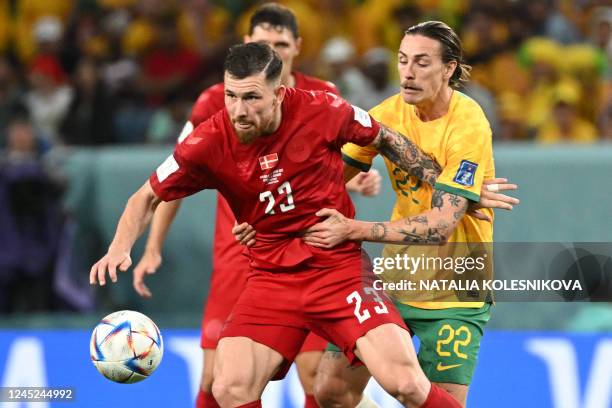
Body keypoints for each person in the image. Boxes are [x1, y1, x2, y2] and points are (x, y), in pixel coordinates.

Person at [90, 42, 469, 408]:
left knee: (404, 382)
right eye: (232, 96)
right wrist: (120, 246)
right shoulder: (207, 141)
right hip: (272, 279)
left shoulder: (324, 109)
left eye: (252, 97)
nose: (239, 110)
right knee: (229, 385)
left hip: (338, 271)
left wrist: (451, 187)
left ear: (279, 93)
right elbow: (146, 196)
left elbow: (386, 138)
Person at [130, 4, 379, 408]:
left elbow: (341, 162)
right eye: (264, 43)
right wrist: (153, 245)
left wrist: (360, 176)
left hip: (311, 253)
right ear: (247, 45)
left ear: (297, 46)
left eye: (281, 44)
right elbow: (168, 182)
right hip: (239, 254)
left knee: (315, 372)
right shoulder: (214, 101)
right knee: (216, 379)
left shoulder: (322, 97)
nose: (273, 51)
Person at [293, 21, 514, 407]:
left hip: (455, 291)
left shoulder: (468, 121)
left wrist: (353, 229)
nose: (408, 72)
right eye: (403, 60)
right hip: (394, 280)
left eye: (422, 62)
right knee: (330, 389)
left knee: (433, 401)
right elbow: (324, 183)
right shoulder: (385, 115)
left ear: (449, 68)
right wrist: (266, 216)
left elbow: (441, 225)